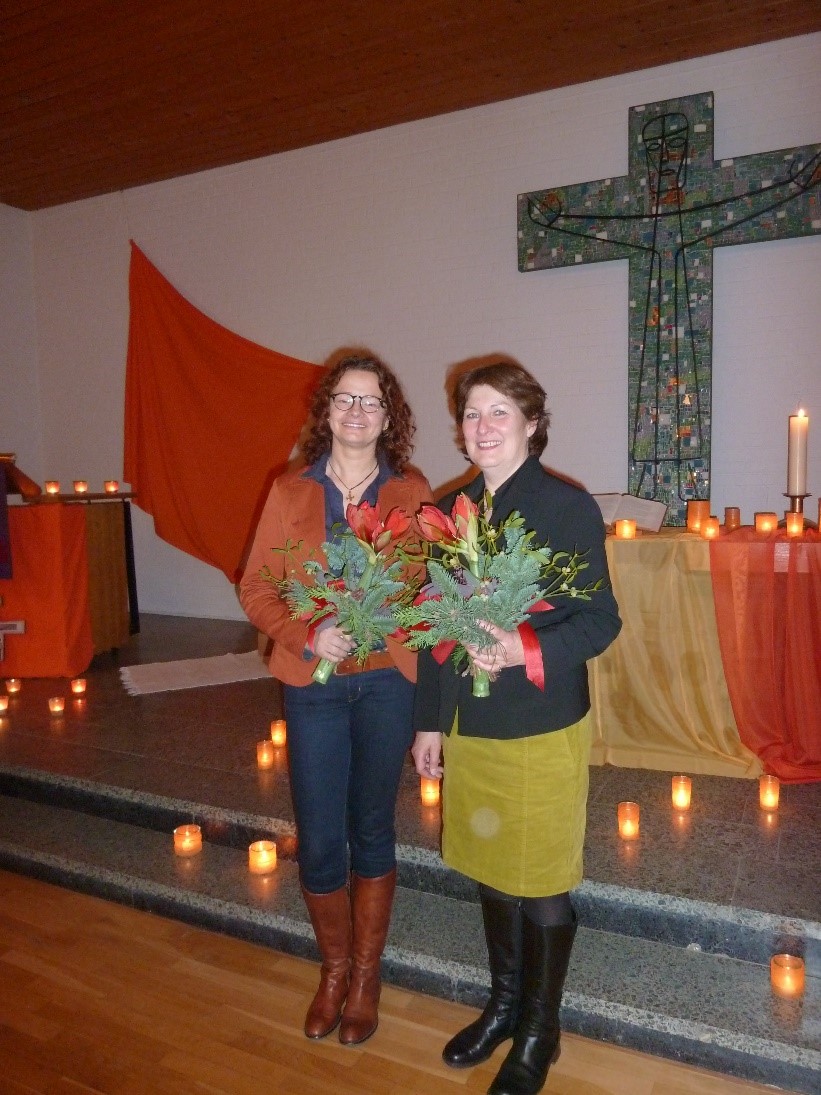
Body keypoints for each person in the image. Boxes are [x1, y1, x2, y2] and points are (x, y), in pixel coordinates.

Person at [411, 361, 621, 1095]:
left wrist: (520, 647)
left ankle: (541, 1026)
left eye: (499, 411)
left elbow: (600, 620)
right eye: (471, 413)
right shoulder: (452, 509)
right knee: (492, 868)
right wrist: (430, 724)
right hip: (472, 724)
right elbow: (435, 627)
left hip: (538, 722)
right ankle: (502, 1003)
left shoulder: (565, 508)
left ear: (532, 423)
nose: (483, 426)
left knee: (541, 884)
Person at [240, 352, 432, 1046]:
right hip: (313, 686)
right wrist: (305, 632)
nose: (356, 412)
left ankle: (368, 976)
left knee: (373, 829)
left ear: (389, 417)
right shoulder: (290, 489)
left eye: (371, 401)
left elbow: (429, 592)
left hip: (387, 681)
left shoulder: (410, 492)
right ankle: (333, 970)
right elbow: (255, 587)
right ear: (326, 411)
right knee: (321, 837)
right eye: (345, 400)